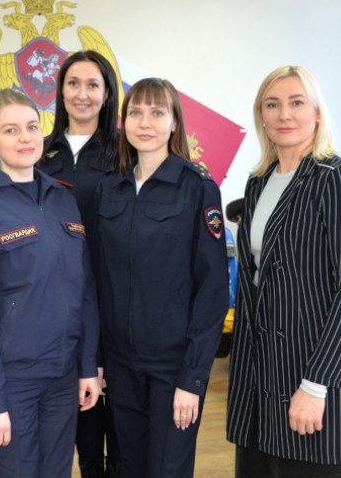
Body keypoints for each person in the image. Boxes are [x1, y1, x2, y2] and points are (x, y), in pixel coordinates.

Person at [226, 65, 341, 477]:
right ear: (261, 116)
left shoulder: (340, 180)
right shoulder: (258, 183)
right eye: (272, 105)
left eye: (296, 103)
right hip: (260, 377)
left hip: (313, 370)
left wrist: (315, 385)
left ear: (317, 113)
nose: (284, 115)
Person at [0, 88, 101, 478]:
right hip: (10, 384)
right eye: (10, 130)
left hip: (62, 377)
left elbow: (84, 291)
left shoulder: (62, 200)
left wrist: (87, 365)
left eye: (32, 127)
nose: (25, 138)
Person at [94, 78, 228, 478]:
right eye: (135, 113)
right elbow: (98, 281)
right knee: (130, 468)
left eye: (157, 112)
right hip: (120, 366)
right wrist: (97, 361)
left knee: (167, 470)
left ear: (174, 124)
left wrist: (193, 378)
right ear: (124, 123)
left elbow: (212, 290)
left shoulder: (198, 188)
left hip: (173, 369)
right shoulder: (109, 188)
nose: (145, 122)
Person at [38, 49, 122, 478]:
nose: (82, 94)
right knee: (84, 439)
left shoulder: (125, 153)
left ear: (107, 94)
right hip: (64, 309)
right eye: (73, 83)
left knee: (122, 440)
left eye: (93, 85)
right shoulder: (40, 153)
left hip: (118, 304)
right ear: (61, 91)